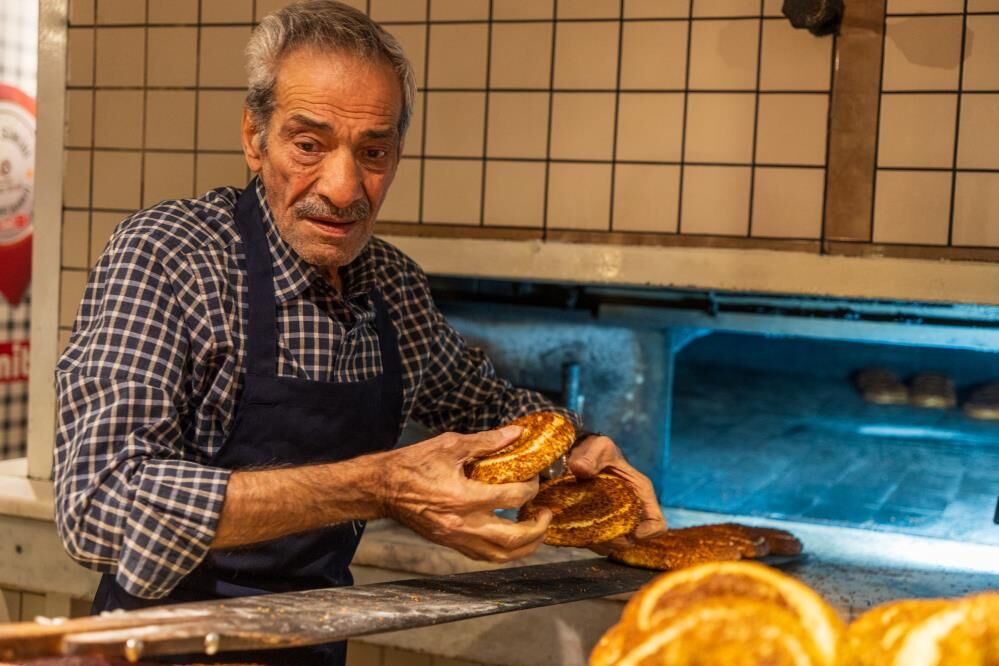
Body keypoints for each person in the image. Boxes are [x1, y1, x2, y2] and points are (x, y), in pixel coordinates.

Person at [53, 2, 665, 663]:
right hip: (161, 648)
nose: (344, 190)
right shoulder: (170, 256)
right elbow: (98, 506)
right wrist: (377, 486)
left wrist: (573, 450)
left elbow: (485, 407)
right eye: (309, 145)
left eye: (372, 152)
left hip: (310, 645)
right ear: (254, 139)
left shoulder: (391, 286)